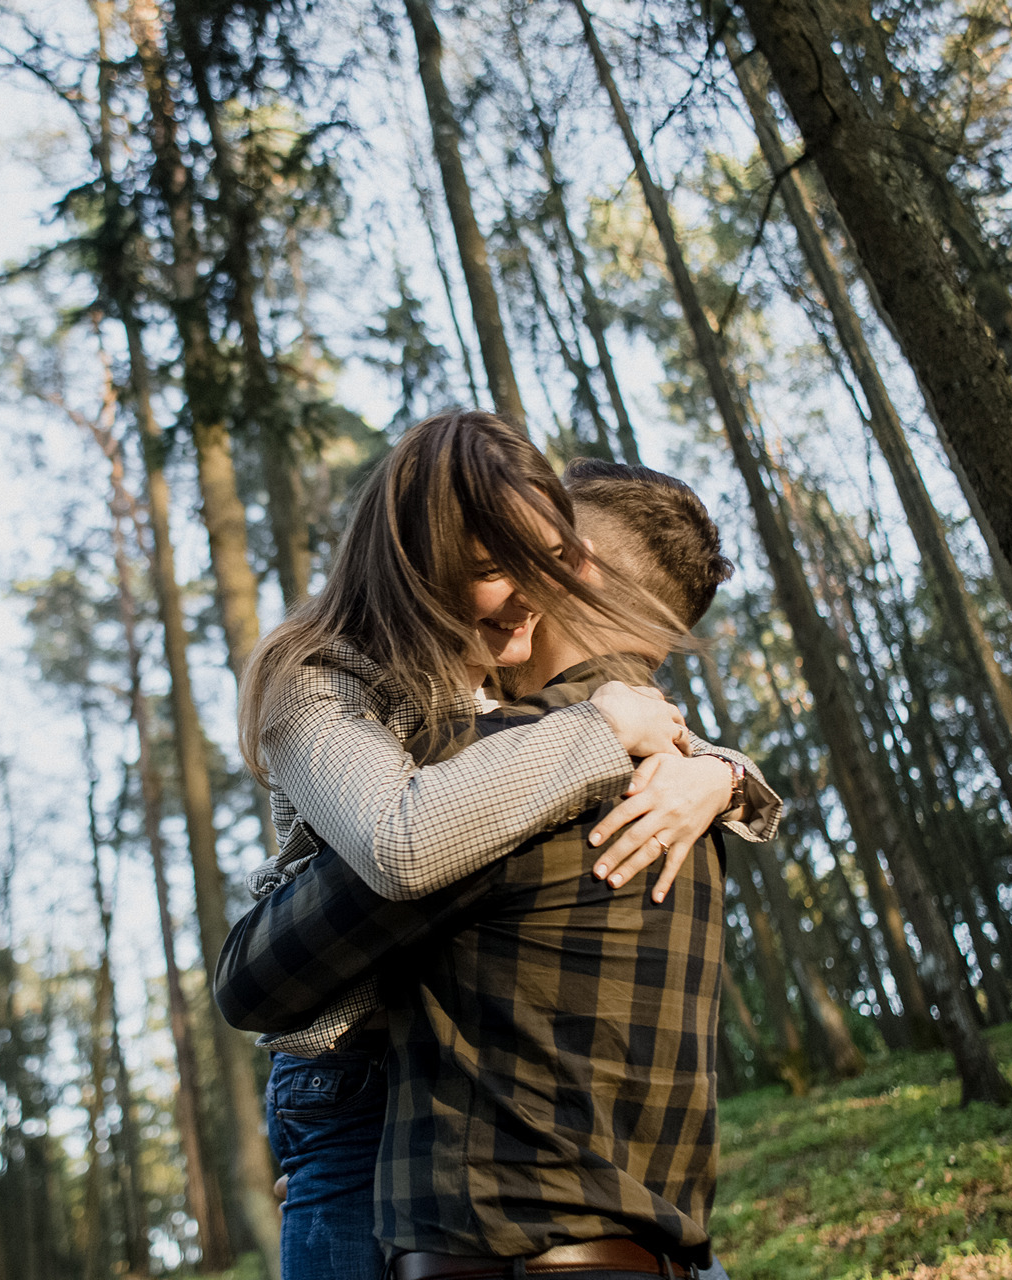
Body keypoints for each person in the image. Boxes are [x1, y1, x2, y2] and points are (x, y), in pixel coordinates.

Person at [235, 414, 779, 1280]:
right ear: (421, 563)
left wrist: (715, 772)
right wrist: (606, 729)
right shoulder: (318, 680)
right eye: (497, 568)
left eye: (550, 561)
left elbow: (546, 760)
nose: (533, 590)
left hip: (453, 1071)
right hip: (349, 1078)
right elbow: (403, 839)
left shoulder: (492, 668)